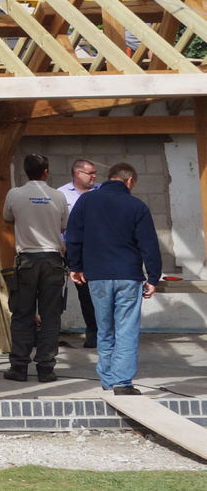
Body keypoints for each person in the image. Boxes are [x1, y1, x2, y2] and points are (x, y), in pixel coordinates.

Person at [66, 163, 162, 396]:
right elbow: (149, 244)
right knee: (126, 329)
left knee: (104, 328)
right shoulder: (136, 205)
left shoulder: (86, 201)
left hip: (97, 276)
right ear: (129, 181)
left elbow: (74, 235)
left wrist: (75, 266)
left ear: (110, 178)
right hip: (128, 276)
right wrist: (153, 277)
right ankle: (122, 382)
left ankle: (108, 378)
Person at [0, 154, 69, 382]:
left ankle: (19, 367)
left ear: (25, 170)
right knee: (51, 316)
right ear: (46, 171)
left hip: (27, 260)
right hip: (52, 260)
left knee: (22, 315)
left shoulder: (15, 194)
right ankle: (46, 369)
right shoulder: (58, 196)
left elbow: (7, 217)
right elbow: (63, 225)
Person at [59, 159, 100, 347]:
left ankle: (107, 333)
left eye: (95, 173)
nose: (94, 176)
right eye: (90, 173)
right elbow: (57, 225)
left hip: (101, 250)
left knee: (103, 292)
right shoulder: (61, 194)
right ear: (77, 174)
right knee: (86, 294)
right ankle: (93, 333)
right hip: (76, 251)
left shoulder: (101, 192)